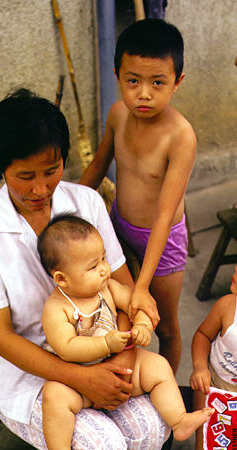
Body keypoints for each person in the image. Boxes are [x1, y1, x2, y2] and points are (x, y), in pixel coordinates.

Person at [0, 88, 171, 449]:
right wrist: (82, 378)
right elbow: (1, 337)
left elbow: (121, 289)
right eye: (25, 176)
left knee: (152, 428)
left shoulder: (86, 202)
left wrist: (121, 360)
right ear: (0, 169)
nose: (41, 188)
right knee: (102, 444)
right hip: (29, 374)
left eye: (51, 170)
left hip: (105, 354)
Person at [79, 18, 197, 374]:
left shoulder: (180, 136)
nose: (143, 94)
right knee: (121, 318)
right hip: (119, 228)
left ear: (177, 82)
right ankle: (131, 379)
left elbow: (164, 215)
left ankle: (165, 396)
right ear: (118, 75)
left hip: (162, 242)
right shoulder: (117, 115)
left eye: (157, 82)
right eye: (133, 81)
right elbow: (97, 170)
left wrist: (141, 286)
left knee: (163, 325)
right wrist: (68, 211)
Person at [38, 214, 214, 450]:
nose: (103, 270)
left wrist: (141, 324)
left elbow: (135, 303)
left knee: (159, 366)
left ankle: (179, 420)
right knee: (54, 396)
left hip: (120, 370)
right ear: (62, 279)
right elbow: (67, 348)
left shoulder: (108, 287)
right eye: (93, 266)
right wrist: (106, 345)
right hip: (79, 379)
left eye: (103, 259)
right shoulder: (57, 308)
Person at [190, 292, 237, 449]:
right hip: (213, 383)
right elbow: (203, 335)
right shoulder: (228, 306)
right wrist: (200, 367)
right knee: (206, 438)